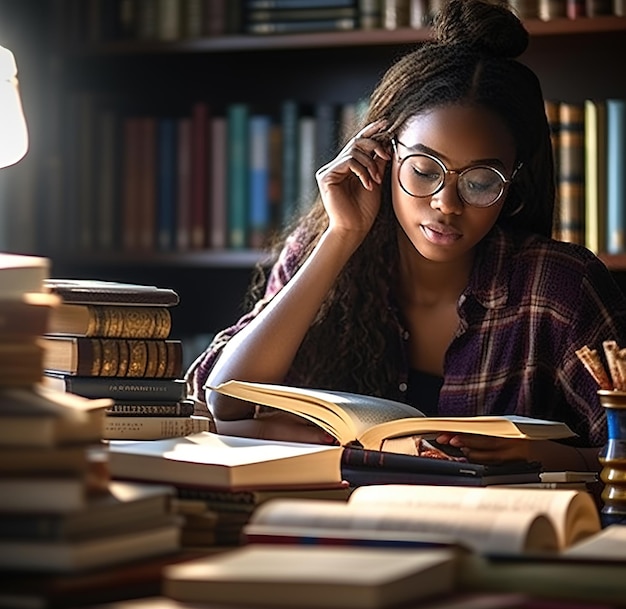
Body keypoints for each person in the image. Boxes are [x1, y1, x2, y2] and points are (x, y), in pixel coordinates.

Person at [186, 0, 626, 472]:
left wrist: (543, 455)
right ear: (382, 155)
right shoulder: (325, 253)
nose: (446, 204)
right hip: (347, 528)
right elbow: (219, 400)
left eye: (480, 182)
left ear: (513, 184)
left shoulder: (558, 288)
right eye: (423, 170)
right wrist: (342, 234)